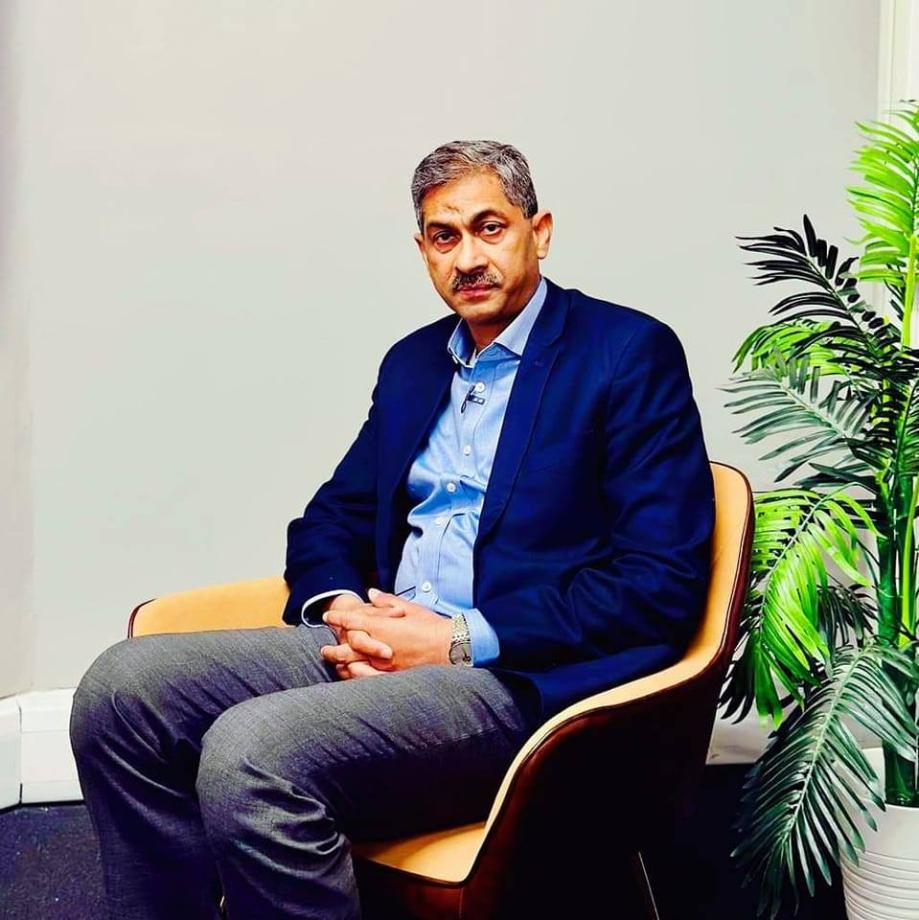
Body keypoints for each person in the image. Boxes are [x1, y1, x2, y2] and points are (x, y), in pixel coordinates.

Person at [70, 140, 715, 919]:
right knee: (120, 691)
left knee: (252, 753)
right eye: (444, 237)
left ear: (538, 232)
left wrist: (453, 641)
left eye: (489, 228)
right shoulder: (413, 364)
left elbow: (658, 583)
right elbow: (331, 517)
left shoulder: (625, 354)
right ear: (422, 251)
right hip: (380, 643)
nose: (467, 258)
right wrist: (347, 614)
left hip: (517, 681)